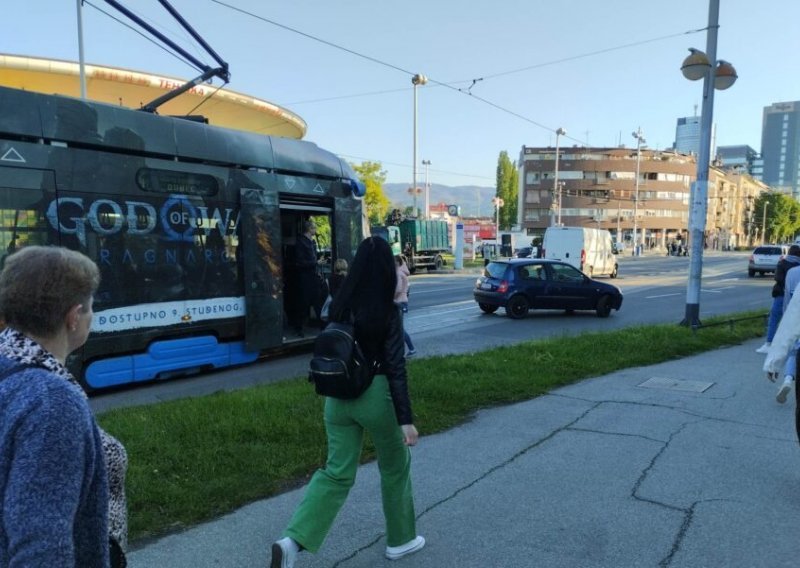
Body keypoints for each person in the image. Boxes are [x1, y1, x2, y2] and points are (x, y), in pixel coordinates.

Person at [270, 236, 424, 567]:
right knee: (395, 468)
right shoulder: (387, 311)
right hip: (376, 397)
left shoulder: (337, 305)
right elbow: (396, 368)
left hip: (336, 398)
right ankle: (401, 540)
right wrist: (405, 418)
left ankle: (292, 542)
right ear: (386, 269)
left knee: (336, 472)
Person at [0, 246, 128, 567]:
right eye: (90, 308)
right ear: (73, 317)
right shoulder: (51, 401)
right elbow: (41, 546)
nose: (91, 316)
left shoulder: (11, 365)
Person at [756, 244, 800, 354]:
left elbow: (778, 278)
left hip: (781, 294)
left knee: (774, 318)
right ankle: (792, 343)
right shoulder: (798, 264)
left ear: (789, 252)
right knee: (793, 320)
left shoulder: (783, 263)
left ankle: (769, 343)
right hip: (795, 296)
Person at [292, 220, 321, 337]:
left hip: (313, 277)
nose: (316, 230)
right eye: (314, 228)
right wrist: (315, 262)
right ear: (309, 229)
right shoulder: (301, 243)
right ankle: (298, 328)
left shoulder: (312, 242)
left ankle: (323, 326)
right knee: (303, 304)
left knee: (318, 301)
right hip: (304, 278)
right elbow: (299, 262)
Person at [394, 255, 416, 356]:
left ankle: (411, 348)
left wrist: (390, 296)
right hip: (402, 301)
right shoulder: (402, 272)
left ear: (397, 263)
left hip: (398, 302)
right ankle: (406, 349)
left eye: (393, 261)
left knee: (399, 328)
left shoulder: (398, 273)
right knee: (399, 328)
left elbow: (397, 290)